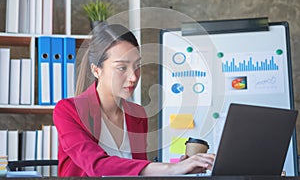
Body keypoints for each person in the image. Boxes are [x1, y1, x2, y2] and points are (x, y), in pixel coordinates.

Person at [53, 23, 215, 176]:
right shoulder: (68, 110)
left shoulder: (137, 113)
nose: (133, 77)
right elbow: (96, 165)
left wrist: (181, 170)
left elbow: (138, 171)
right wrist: (170, 168)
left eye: (137, 66)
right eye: (122, 68)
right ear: (96, 70)